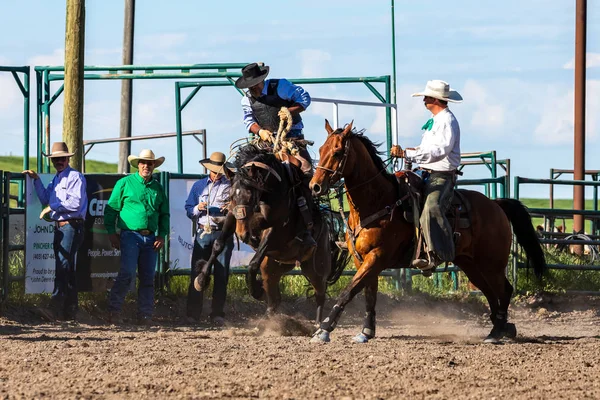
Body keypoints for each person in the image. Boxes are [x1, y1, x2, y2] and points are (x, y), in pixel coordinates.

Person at [235, 62, 316, 249]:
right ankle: (241, 217)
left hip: (292, 140)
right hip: (265, 144)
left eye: (255, 83)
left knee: (305, 170)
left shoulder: (281, 86)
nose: (253, 88)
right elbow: (249, 121)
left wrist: (290, 111)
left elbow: (304, 98)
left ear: (262, 80)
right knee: (243, 173)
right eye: (249, 85)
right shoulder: (246, 100)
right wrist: (260, 131)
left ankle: (307, 223)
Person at [390, 80, 463, 275]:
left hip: (442, 176)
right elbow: (429, 149)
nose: (424, 99)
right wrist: (411, 151)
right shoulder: (437, 121)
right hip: (424, 172)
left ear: (436, 100)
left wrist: (408, 154)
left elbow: (440, 151)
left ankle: (436, 253)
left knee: (431, 208)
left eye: (427, 97)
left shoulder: (447, 121)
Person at [23, 142, 88, 321]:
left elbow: (75, 203)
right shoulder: (57, 179)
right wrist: (36, 180)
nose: (58, 161)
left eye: (61, 158)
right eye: (56, 159)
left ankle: (56, 307)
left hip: (71, 225)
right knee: (66, 267)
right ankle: (70, 310)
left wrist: (52, 207)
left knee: (63, 265)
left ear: (68, 159)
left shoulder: (76, 177)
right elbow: (44, 197)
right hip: (63, 227)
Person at [104, 149, 169, 325]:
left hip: (151, 238)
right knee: (127, 273)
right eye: (144, 162)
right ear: (138, 164)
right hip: (130, 235)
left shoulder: (158, 188)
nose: (146, 165)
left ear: (154, 166)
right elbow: (111, 210)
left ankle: (145, 315)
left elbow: (164, 214)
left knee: (148, 277)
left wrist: (162, 235)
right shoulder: (125, 183)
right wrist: (111, 232)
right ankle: (114, 311)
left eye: (150, 163)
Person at [184, 152, 234, 326]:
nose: (217, 173)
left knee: (221, 274)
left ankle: (217, 314)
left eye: (219, 170)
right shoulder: (199, 186)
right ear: (209, 170)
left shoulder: (231, 186)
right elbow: (189, 209)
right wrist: (198, 207)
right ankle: (193, 314)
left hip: (223, 233)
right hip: (204, 232)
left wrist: (228, 209)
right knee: (198, 272)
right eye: (214, 170)